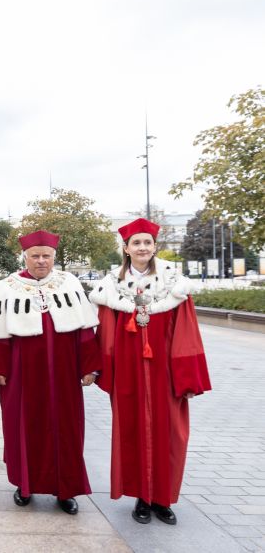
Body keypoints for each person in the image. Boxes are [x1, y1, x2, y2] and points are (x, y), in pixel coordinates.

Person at [90, 218, 211, 525]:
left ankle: (163, 499)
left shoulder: (174, 286)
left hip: (165, 374)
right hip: (128, 374)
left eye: (147, 243)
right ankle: (141, 499)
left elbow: (187, 332)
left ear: (155, 247)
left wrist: (186, 376)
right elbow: (105, 334)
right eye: (136, 243)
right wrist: (102, 370)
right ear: (126, 249)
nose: (142, 248)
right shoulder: (112, 288)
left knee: (170, 434)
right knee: (131, 432)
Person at [0, 230, 100, 515]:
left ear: (54, 257)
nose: (41, 261)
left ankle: (65, 490)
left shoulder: (69, 283)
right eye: (35, 256)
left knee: (67, 429)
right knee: (23, 425)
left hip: (65, 372)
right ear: (26, 257)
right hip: (22, 372)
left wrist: (90, 367)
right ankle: (24, 485)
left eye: (46, 256)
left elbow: (84, 330)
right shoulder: (8, 286)